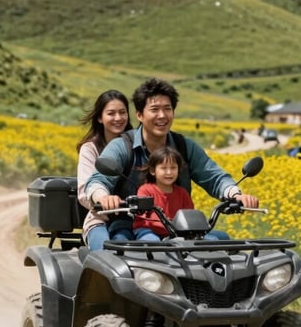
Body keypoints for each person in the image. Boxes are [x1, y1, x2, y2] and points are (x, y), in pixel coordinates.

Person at [85, 78, 259, 247]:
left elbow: (214, 176)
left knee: (224, 242)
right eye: (154, 109)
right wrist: (104, 197)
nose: (162, 115)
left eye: (167, 109)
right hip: (129, 226)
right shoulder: (122, 146)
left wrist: (235, 195)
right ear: (139, 115)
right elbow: (98, 181)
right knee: (115, 253)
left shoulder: (184, 146)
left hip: (177, 229)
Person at [76, 90, 133, 251]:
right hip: (101, 218)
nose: (118, 118)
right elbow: (83, 191)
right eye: (111, 113)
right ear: (100, 118)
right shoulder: (90, 149)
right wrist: (103, 199)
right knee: (104, 252)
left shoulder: (138, 145)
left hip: (137, 219)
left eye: (122, 112)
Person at [133, 146, 194, 242]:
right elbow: (143, 216)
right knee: (153, 241)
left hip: (176, 232)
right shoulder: (145, 190)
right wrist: (172, 225)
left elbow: (190, 216)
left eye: (173, 168)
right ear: (153, 171)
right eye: (163, 168)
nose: (169, 172)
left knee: (218, 237)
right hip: (148, 230)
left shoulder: (182, 193)